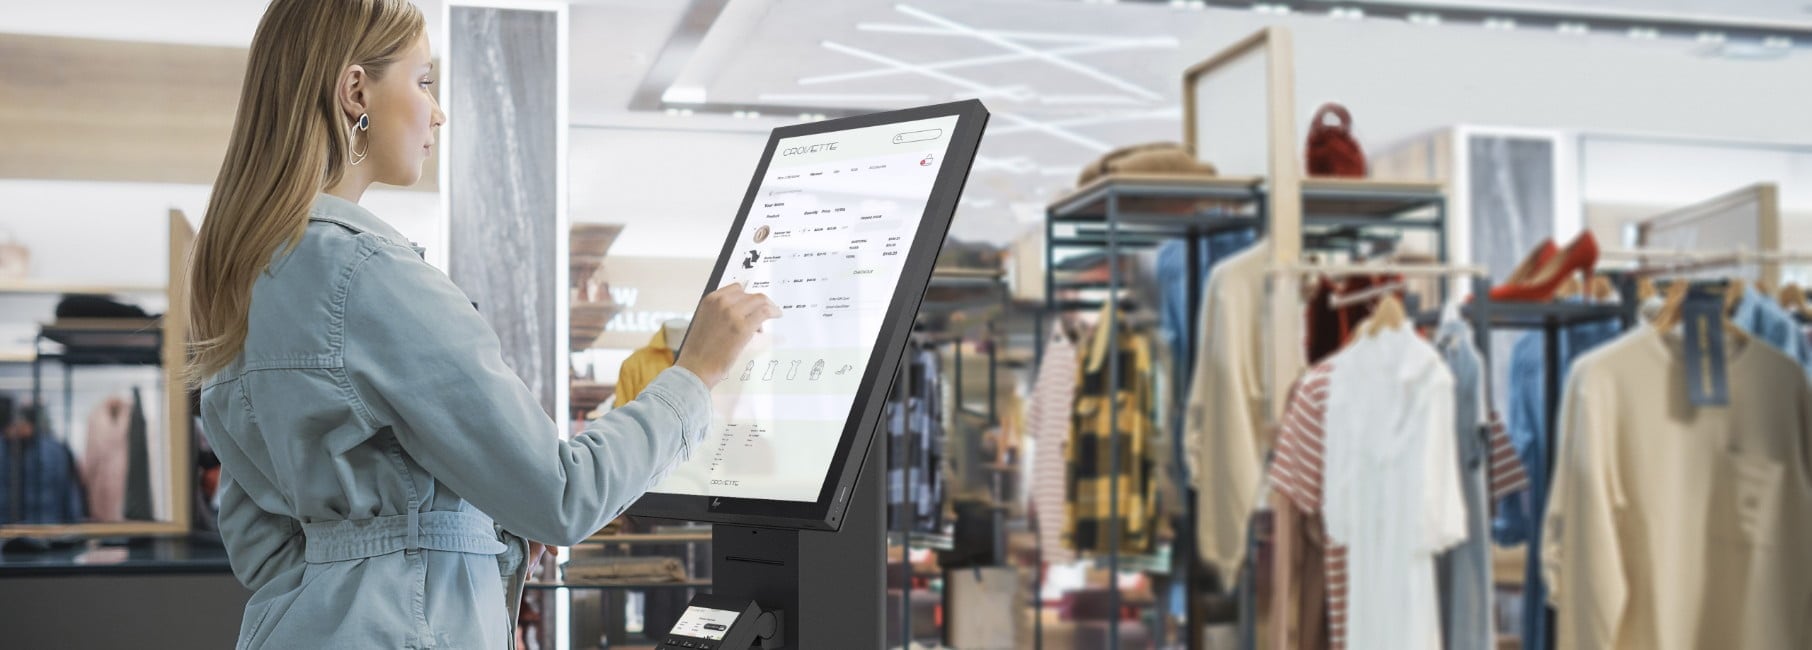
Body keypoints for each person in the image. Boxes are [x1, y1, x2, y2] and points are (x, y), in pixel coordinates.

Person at [183, 1, 779, 647]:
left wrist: (462, 533)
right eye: (423, 82)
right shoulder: (370, 274)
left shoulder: (246, 269)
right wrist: (695, 373)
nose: (436, 111)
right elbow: (563, 497)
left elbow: (257, 541)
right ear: (356, 89)